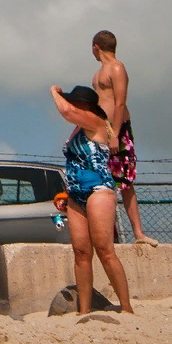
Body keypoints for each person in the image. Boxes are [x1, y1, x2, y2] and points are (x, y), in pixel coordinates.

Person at [51, 83, 134, 315]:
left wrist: (54, 93)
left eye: (74, 101)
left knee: (105, 250)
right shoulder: (78, 128)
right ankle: (84, 310)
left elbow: (66, 111)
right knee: (81, 252)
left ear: (84, 105)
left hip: (98, 189)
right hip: (76, 193)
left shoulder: (97, 122)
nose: (70, 104)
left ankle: (126, 307)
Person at [91, 30, 158, 246]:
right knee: (100, 183)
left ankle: (138, 233)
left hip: (117, 130)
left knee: (125, 182)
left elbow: (120, 102)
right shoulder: (97, 74)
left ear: (96, 47)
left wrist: (115, 135)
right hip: (100, 131)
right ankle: (106, 235)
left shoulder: (117, 68)